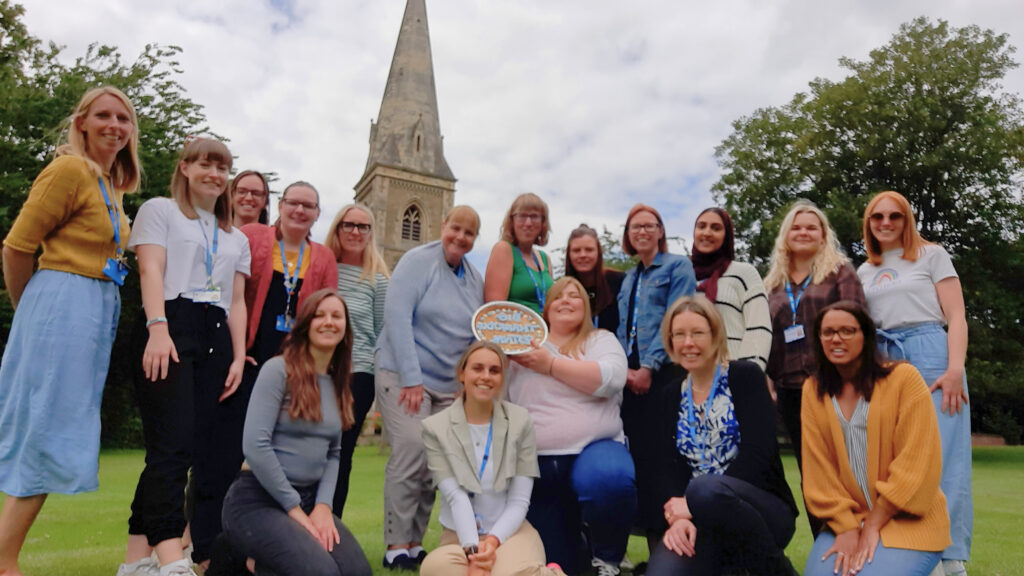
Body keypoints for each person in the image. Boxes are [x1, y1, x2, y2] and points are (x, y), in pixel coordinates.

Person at [0, 86, 140, 576]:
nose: (115, 125)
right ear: (81, 122)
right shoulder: (68, 169)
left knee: (55, 429)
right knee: (43, 429)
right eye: (103, 114)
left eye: (123, 118)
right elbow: (17, 248)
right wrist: (31, 314)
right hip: (63, 301)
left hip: (93, 307)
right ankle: (5, 561)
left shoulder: (109, 183)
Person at [118, 137, 250, 576]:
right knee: (170, 446)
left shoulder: (235, 236)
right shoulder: (161, 210)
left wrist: (238, 356)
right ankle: (172, 555)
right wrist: (158, 328)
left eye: (223, 167)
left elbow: (236, 300)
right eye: (206, 165)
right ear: (185, 168)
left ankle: (136, 561)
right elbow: (150, 268)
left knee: (185, 448)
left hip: (215, 334)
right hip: (171, 321)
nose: (215, 174)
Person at [858, 191, 972, 575]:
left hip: (930, 351)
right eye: (878, 217)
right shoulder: (864, 271)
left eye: (895, 216)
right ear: (869, 223)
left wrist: (955, 368)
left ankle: (949, 557)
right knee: (895, 457)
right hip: (885, 358)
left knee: (943, 455)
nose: (886, 223)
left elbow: (956, 314)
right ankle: (912, 551)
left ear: (908, 220)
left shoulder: (932, 255)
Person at [220, 289, 371, 576]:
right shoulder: (278, 370)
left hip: (310, 500)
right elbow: (255, 445)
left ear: (345, 328)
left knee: (356, 572)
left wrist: (324, 507)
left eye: (336, 316)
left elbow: (334, 453)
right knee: (321, 573)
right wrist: (295, 510)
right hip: (257, 501)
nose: (328, 322)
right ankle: (240, 559)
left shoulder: (339, 382)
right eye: (319, 315)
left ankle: (258, 562)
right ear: (305, 325)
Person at [646, 296, 798, 575]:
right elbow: (666, 468)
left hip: (759, 509)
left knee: (704, 489)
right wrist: (678, 518)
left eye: (697, 333)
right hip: (698, 517)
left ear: (715, 335)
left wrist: (695, 502)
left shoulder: (745, 377)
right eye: (679, 334)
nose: (688, 343)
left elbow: (759, 453)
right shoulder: (669, 395)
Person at [801, 301, 949, 576]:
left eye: (847, 330)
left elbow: (916, 464)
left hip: (907, 518)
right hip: (848, 518)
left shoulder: (904, 378)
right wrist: (846, 529)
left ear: (866, 336)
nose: (836, 338)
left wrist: (872, 526)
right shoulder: (813, 391)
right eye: (828, 332)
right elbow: (817, 471)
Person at [375, 205, 484, 569]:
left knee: (433, 464)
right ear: (443, 226)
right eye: (456, 228)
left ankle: (415, 542)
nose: (460, 237)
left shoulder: (474, 279)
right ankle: (395, 545)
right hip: (403, 374)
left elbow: (474, 336)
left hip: (446, 386)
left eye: (469, 233)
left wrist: (463, 386)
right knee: (410, 449)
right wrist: (411, 378)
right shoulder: (416, 261)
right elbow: (397, 317)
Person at [507, 277, 634, 576]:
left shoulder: (600, 340)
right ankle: (579, 545)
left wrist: (550, 365)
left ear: (586, 307)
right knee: (557, 564)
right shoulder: (521, 345)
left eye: (574, 296)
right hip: (537, 463)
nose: (566, 300)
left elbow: (611, 378)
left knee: (610, 481)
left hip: (594, 451)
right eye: (558, 296)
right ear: (546, 308)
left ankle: (607, 558)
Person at [421, 341, 565, 576]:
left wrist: (492, 542)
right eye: (477, 368)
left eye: (494, 370)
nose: (485, 376)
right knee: (433, 568)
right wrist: (473, 552)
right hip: (458, 537)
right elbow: (456, 496)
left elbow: (519, 502)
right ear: (462, 373)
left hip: (511, 533)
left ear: (502, 378)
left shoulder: (520, 422)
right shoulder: (435, 428)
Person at [764, 201, 865, 503]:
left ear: (823, 235)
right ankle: (825, 544)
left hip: (835, 383)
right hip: (791, 390)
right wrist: (767, 379)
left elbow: (858, 325)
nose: (803, 232)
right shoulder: (772, 284)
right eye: (796, 227)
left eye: (811, 227)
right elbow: (765, 337)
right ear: (785, 235)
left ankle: (858, 539)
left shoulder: (840, 273)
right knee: (811, 475)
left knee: (846, 467)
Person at [615, 203, 696, 538]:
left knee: (666, 459)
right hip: (630, 379)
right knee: (642, 462)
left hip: (664, 375)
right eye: (636, 227)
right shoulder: (630, 277)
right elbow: (623, 328)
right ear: (628, 236)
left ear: (661, 231)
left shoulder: (678, 267)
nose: (643, 232)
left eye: (650, 226)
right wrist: (624, 370)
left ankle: (675, 542)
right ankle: (652, 542)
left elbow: (676, 320)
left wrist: (649, 366)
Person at [324, 203, 390, 517]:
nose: (355, 231)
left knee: (340, 451)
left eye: (363, 227)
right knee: (307, 448)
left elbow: (382, 334)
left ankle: (330, 524)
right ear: (337, 228)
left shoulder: (378, 280)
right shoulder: (321, 267)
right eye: (349, 224)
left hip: (358, 373)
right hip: (316, 371)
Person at [690, 208, 771, 370]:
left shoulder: (743, 273)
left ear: (726, 235)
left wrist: (748, 372)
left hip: (731, 373)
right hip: (688, 377)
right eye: (701, 226)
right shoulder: (681, 274)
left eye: (716, 228)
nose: (707, 232)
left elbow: (759, 327)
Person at [484, 193, 554, 315]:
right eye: (522, 216)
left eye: (534, 216)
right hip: (515, 331)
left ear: (543, 223)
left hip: (546, 332)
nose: (528, 223)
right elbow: (494, 310)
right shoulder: (504, 249)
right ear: (512, 221)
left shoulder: (544, 258)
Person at [564, 224, 625, 332]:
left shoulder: (619, 282)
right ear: (569, 255)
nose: (583, 255)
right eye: (576, 250)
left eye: (589, 250)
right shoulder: (563, 290)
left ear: (598, 253)